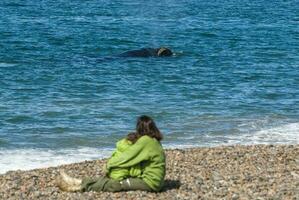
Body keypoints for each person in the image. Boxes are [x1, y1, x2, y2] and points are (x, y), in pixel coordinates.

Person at [57, 115, 165, 192]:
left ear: (140, 128)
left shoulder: (146, 140)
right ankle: (78, 181)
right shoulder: (154, 141)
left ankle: (79, 187)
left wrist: (109, 164)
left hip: (151, 183)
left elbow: (126, 157)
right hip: (154, 180)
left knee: (116, 184)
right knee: (113, 180)